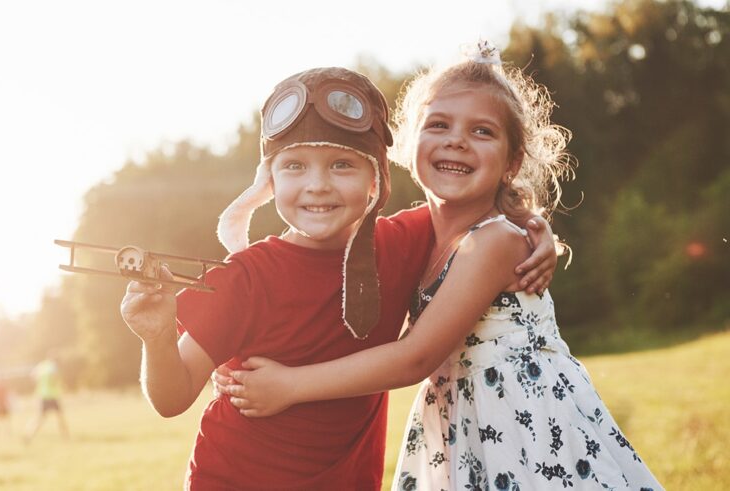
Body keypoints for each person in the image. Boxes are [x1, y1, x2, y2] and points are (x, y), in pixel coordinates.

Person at [219, 42, 663, 490]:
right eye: (439, 124)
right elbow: (316, 284)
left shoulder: (496, 240)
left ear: (512, 161)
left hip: (524, 426)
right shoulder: (421, 238)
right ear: (409, 143)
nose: (456, 140)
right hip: (461, 424)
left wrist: (290, 385)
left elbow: (417, 356)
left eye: (482, 132)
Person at [121, 66, 558, 490]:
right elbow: (171, 398)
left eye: (342, 165)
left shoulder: (402, 243)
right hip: (236, 478)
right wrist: (157, 336)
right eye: (294, 166)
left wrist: (534, 229)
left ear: (376, 179)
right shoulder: (246, 276)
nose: (318, 185)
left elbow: (479, 215)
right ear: (269, 181)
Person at [24, 357, 68, 443]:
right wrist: (58, 384)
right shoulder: (53, 366)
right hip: (52, 395)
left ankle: (29, 435)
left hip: (42, 395)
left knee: (40, 418)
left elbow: (32, 375)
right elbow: (54, 377)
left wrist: (38, 383)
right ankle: (66, 438)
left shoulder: (41, 365)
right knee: (60, 417)